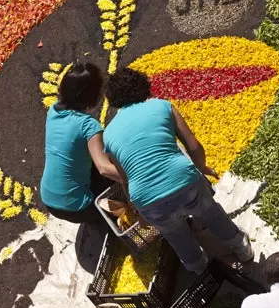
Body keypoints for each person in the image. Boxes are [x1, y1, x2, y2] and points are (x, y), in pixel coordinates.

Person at [103, 67, 252, 272]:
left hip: (146, 198)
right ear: (144, 87)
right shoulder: (162, 106)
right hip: (183, 180)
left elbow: (124, 177)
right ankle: (240, 246)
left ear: (113, 100)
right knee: (210, 213)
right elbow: (193, 146)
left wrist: (136, 206)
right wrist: (202, 167)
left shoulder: (109, 133)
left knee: (175, 234)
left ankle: (199, 267)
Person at [40, 63, 122, 223]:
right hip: (80, 209)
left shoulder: (53, 111)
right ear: (93, 96)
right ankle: (104, 215)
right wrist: (136, 181)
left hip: (49, 201)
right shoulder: (88, 126)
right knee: (112, 157)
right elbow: (104, 168)